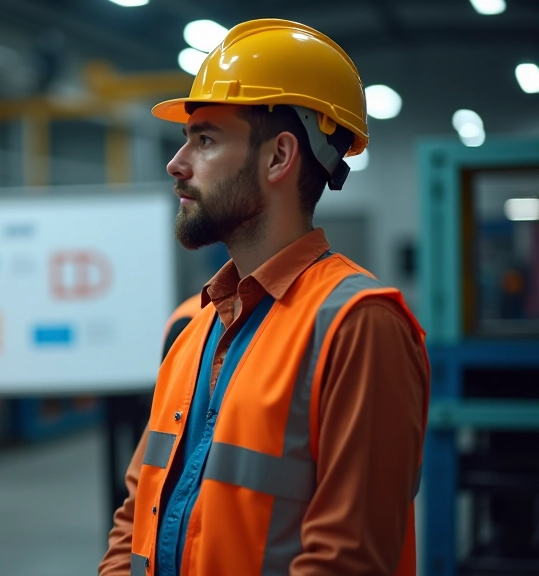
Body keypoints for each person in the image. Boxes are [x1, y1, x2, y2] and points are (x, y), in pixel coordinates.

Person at [99, 19, 430, 576]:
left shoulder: (357, 324)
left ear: (279, 157)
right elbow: (136, 518)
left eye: (204, 139)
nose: (176, 164)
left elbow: (345, 562)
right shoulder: (192, 325)